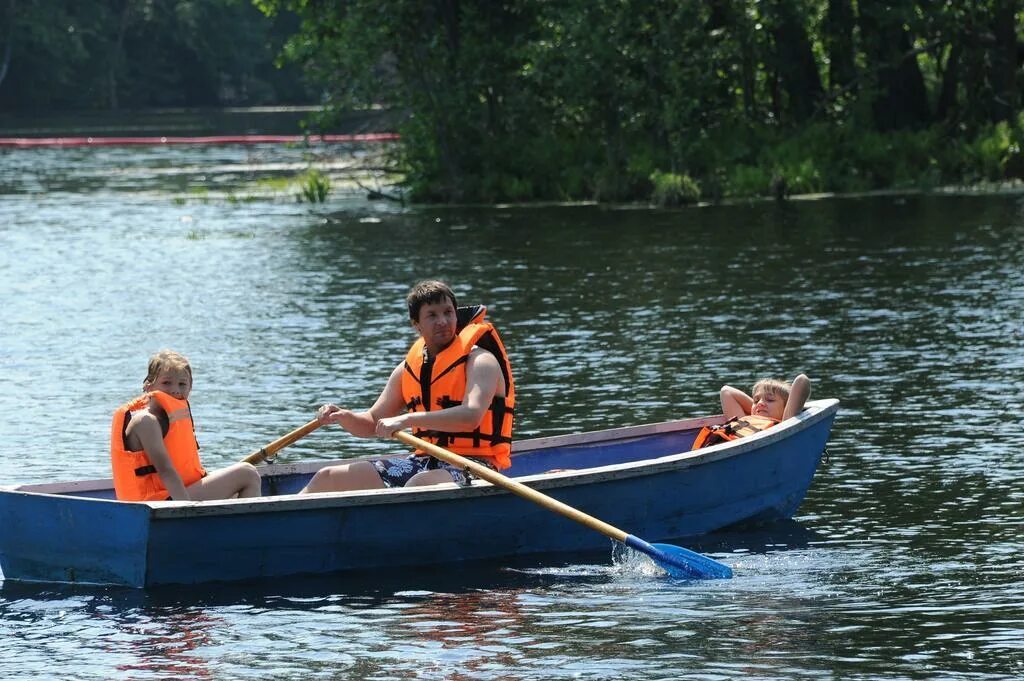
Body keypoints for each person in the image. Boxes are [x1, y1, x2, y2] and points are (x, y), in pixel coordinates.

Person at [300, 280, 515, 493]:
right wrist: (342, 416)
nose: (443, 321)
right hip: (424, 463)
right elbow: (371, 423)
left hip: (476, 466)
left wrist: (407, 419)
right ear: (416, 324)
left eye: (448, 312)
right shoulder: (408, 369)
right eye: (432, 315)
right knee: (328, 477)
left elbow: (471, 416)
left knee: (419, 486)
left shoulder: (481, 361)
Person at [110, 350, 262, 501]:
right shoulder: (146, 421)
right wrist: (185, 510)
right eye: (166, 383)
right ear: (148, 386)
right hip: (156, 504)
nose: (175, 390)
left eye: (182, 384)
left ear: (190, 387)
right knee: (247, 473)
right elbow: (166, 471)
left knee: (237, 489)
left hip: (176, 495)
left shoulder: (174, 417)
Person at [692, 374, 811, 450]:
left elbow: (802, 380)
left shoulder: (786, 425)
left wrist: (763, 409)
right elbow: (726, 391)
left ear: (786, 408)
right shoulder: (743, 420)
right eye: (756, 400)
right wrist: (758, 410)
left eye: (770, 400)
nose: (760, 403)